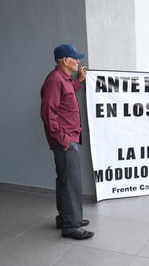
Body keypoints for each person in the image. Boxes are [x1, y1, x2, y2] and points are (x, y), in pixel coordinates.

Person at [40, 44, 94, 240]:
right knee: (71, 182)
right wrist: (62, 139)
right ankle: (71, 226)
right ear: (65, 60)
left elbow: (68, 92)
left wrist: (78, 81)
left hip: (68, 137)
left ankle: (65, 218)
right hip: (65, 139)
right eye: (75, 58)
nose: (78, 61)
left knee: (65, 180)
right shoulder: (55, 80)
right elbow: (48, 113)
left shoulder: (64, 80)